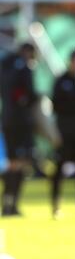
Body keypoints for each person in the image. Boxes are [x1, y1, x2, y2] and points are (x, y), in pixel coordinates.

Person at [51, 50, 75, 218]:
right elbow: (55, 105)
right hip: (64, 131)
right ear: (70, 61)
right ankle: (55, 206)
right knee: (59, 168)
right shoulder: (61, 81)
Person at [0, 42, 37, 216]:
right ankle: (11, 205)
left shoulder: (5, 66)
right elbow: (28, 95)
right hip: (20, 122)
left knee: (13, 163)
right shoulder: (23, 68)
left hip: (7, 120)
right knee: (19, 164)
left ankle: (8, 204)